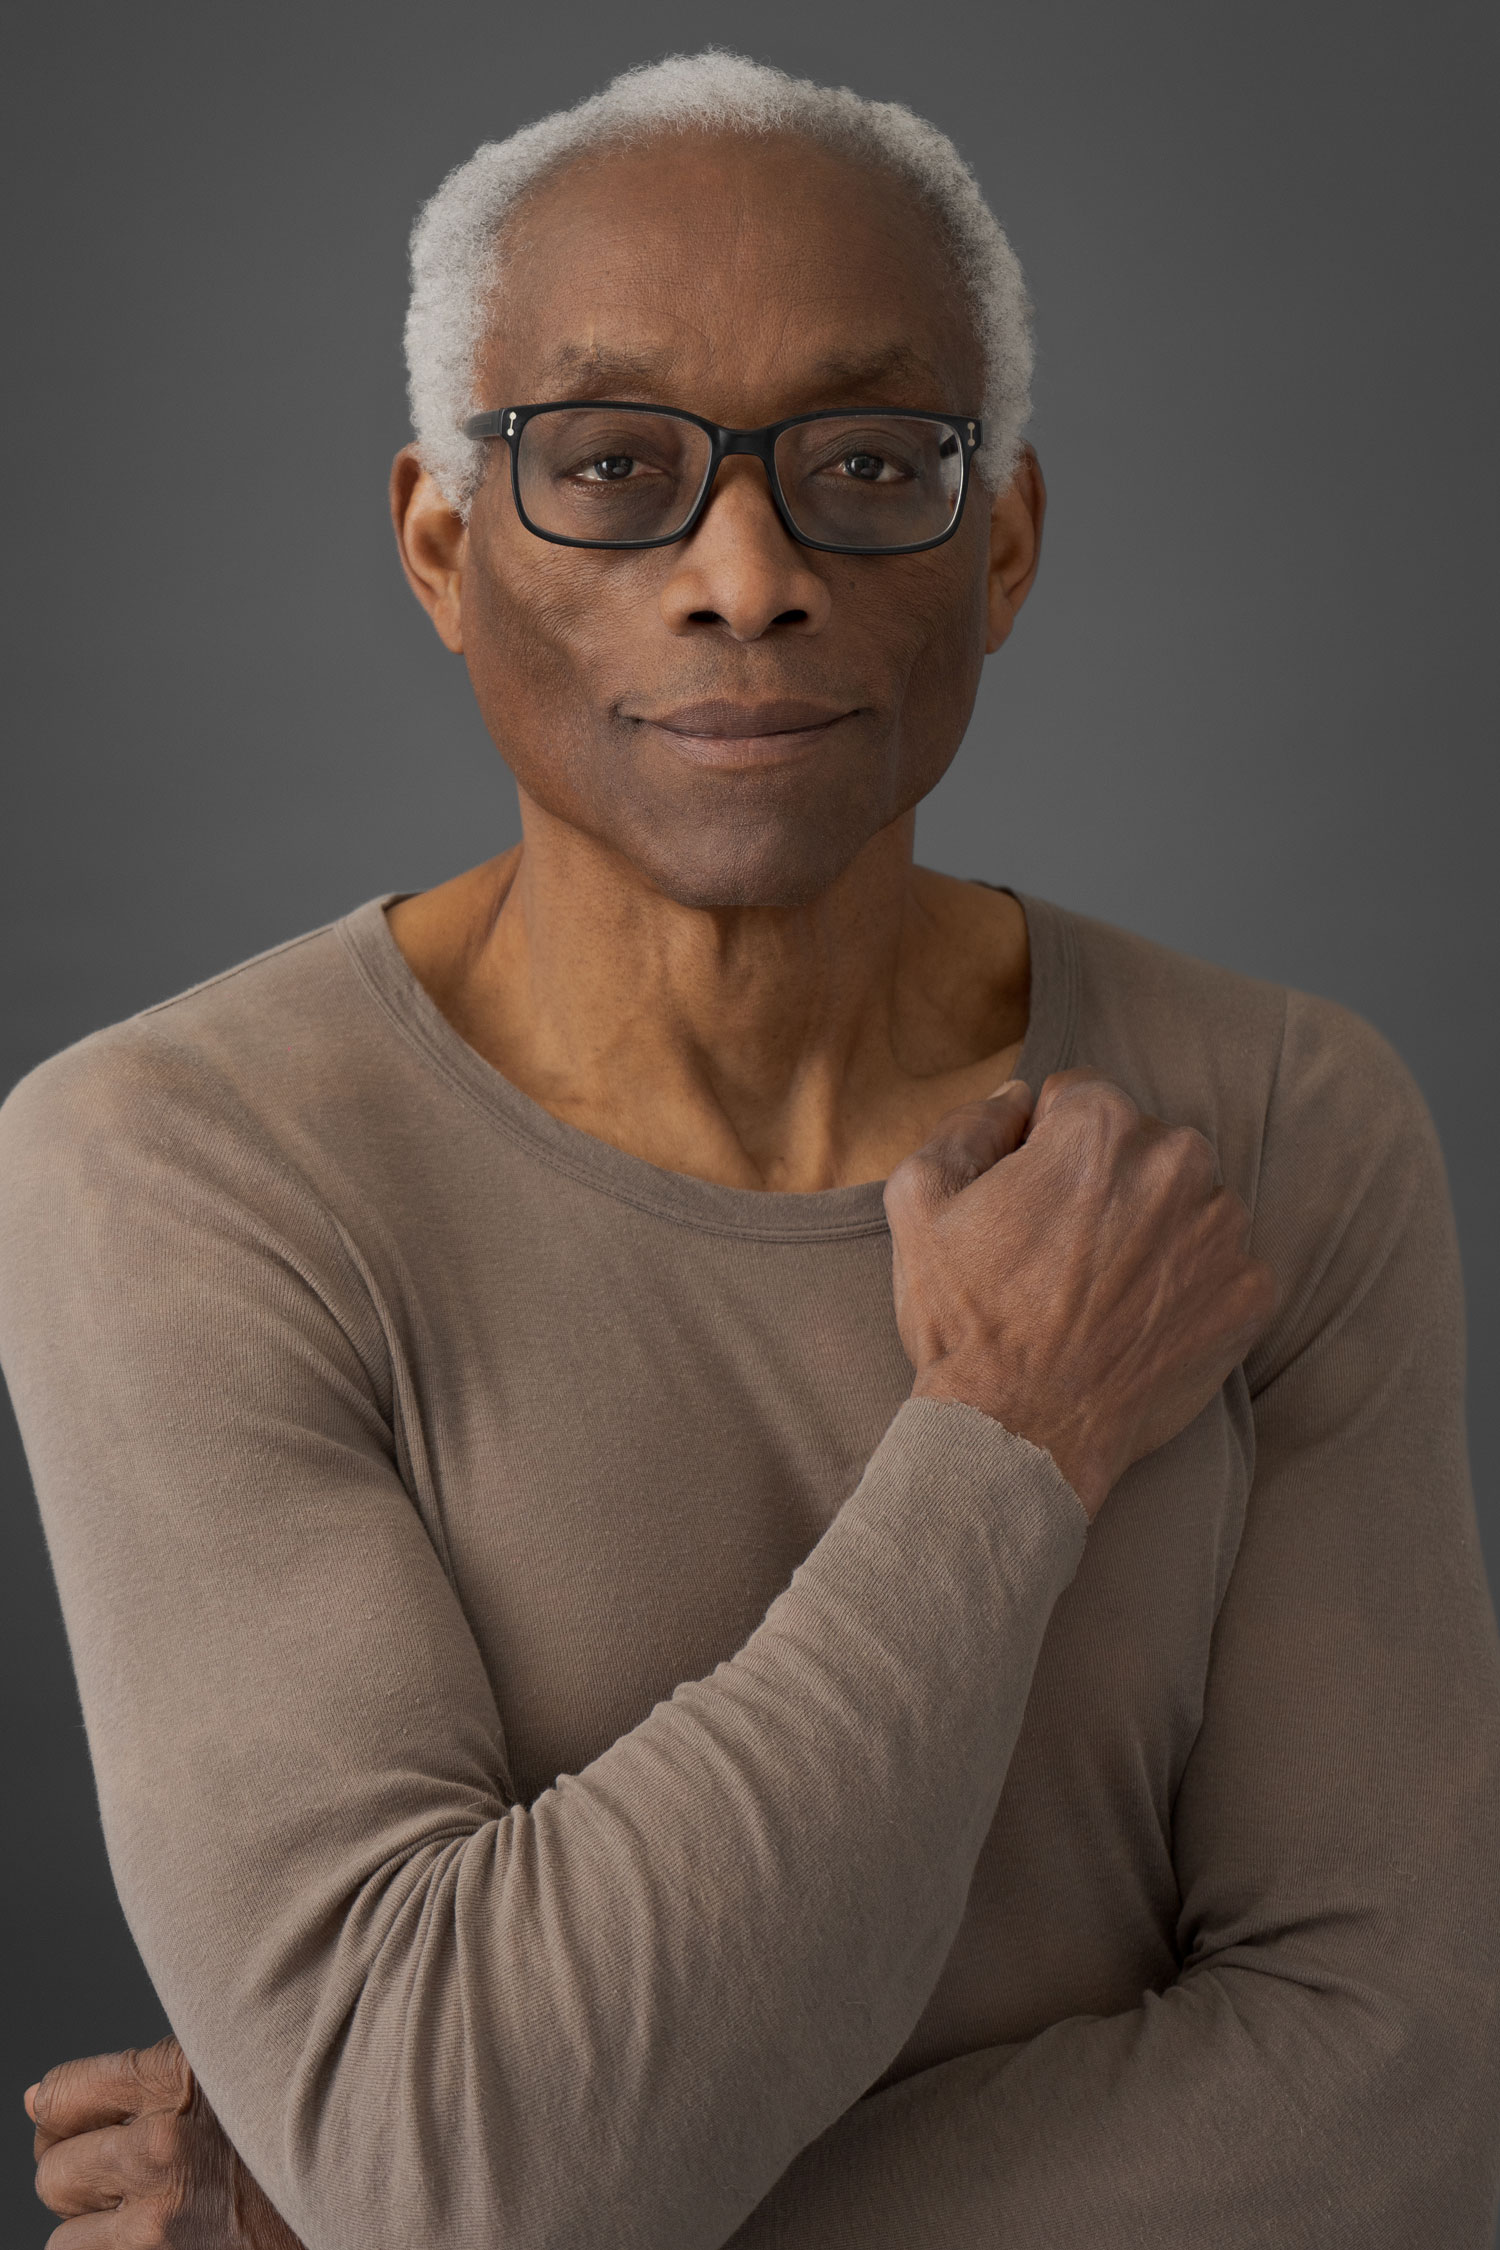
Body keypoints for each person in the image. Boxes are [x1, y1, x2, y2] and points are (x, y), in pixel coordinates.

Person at [4, 48, 1498, 2250]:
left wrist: (406, 2217)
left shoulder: (1278, 1121)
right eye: (609, 468)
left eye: (865, 464)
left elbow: (1402, 2094)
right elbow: (467, 2170)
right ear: (441, 541)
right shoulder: (170, 1165)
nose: (743, 571)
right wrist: (1010, 1439)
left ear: (1001, 546)